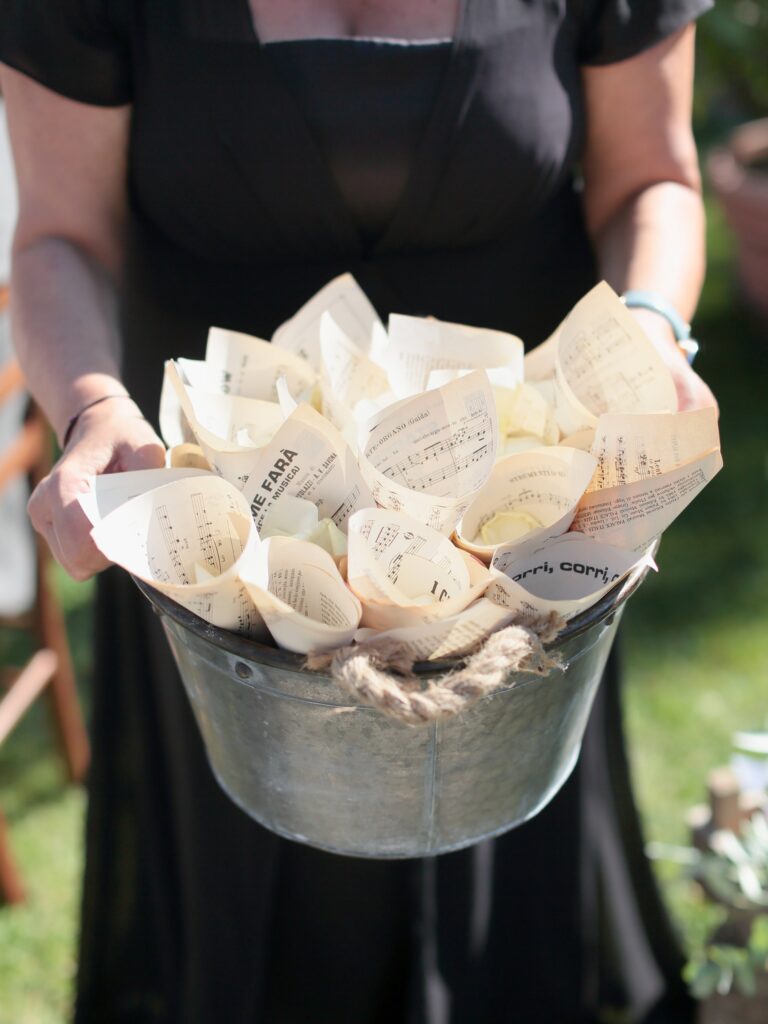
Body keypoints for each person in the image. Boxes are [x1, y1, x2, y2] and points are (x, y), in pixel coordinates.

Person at [0, 1, 717, 1021]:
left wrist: (648, 325)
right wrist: (92, 406)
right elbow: (59, 234)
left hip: (516, 522)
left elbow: (654, 175)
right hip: (213, 525)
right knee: (253, 901)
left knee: (510, 870)